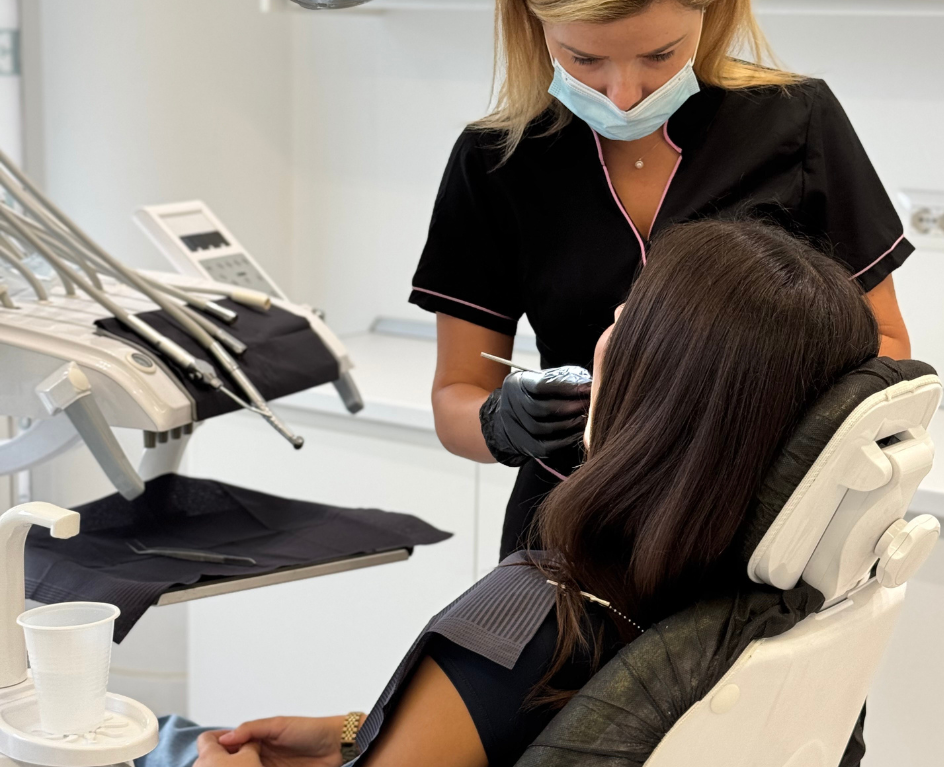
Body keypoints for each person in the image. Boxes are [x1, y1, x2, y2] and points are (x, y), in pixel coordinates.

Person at [162, 219, 881, 767]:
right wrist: (359, 733)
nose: (607, 331)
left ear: (659, 395)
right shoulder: (773, 607)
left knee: (166, 738)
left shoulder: (536, 617)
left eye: (626, 319)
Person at [408, 0, 913, 559]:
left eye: (659, 55)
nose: (624, 93)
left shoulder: (796, 125)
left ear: (714, 5)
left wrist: (751, 414)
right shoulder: (497, 161)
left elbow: (887, 350)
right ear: (532, 20)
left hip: (756, 531)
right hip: (568, 528)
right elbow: (457, 394)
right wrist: (501, 424)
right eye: (584, 58)